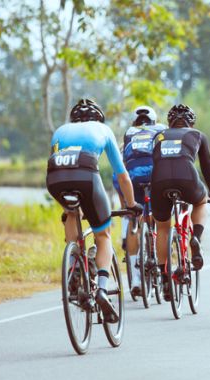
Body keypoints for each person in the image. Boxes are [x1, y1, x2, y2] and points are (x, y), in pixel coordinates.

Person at [46, 98, 141, 323]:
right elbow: (122, 175)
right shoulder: (103, 129)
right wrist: (131, 204)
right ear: (98, 118)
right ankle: (101, 288)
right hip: (86, 176)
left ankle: (74, 264)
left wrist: (67, 206)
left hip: (55, 177)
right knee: (103, 235)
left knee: (71, 213)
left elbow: (58, 165)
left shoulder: (60, 130)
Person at [150, 104, 210, 300]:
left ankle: (164, 277)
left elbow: (154, 162)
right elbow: (207, 170)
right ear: (191, 122)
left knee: (162, 228)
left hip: (159, 180)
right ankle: (195, 238)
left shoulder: (159, 136)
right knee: (200, 201)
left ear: (169, 122)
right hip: (187, 178)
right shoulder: (197, 134)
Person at [121, 106, 167, 296]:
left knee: (135, 220)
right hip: (156, 175)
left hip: (133, 176)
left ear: (134, 122)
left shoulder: (129, 133)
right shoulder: (161, 129)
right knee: (160, 219)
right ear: (154, 121)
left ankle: (136, 278)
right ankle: (158, 251)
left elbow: (125, 159)